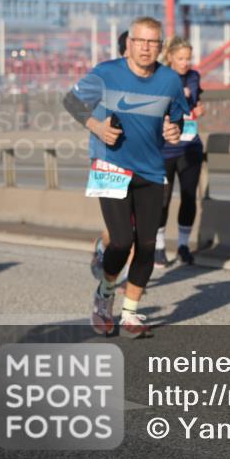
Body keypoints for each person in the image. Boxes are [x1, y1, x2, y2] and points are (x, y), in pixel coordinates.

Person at [64, 17, 188, 338]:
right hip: (111, 165)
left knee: (146, 245)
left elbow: (177, 120)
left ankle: (130, 313)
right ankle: (105, 296)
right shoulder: (107, 73)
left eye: (152, 42)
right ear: (129, 43)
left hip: (151, 169)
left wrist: (174, 131)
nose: (145, 48)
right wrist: (97, 127)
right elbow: (72, 101)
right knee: (121, 241)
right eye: (140, 41)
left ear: (160, 47)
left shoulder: (170, 80)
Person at [155, 35, 205, 268]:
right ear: (170, 58)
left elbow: (193, 101)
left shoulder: (194, 77)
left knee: (188, 196)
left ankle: (183, 246)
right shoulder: (160, 77)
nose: (185, 63)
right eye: (181, 58)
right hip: (164, 149)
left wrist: (195, 105)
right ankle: (159, 247)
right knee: (162, 200)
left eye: (188, 58)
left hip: (190, 145)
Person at [90, 28, 132, 279]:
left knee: (136, 227)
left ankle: (129, 283)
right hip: (108, 158)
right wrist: (99, 127)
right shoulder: (105, 75)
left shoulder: (155, 80)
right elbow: (77, 105)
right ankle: (102, 248)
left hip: (141, 161)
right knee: (119, 232)